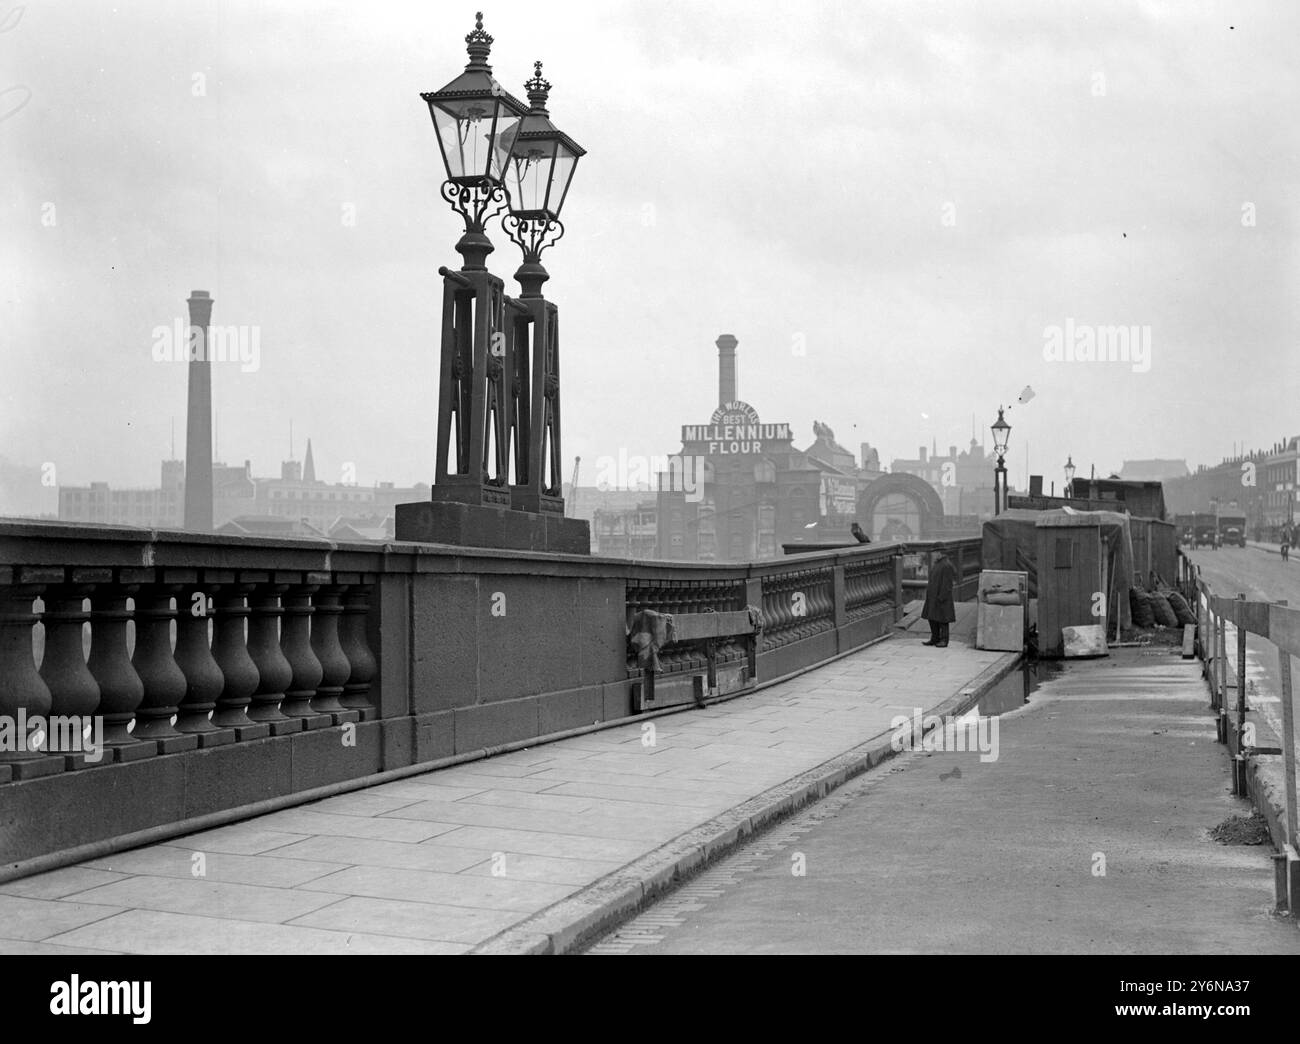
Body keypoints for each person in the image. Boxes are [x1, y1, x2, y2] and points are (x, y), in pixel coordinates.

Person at [921, 549, 957, 648]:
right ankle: (935, 638)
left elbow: (947, 584)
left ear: (939, 553)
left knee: (943, 620)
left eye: (934, 553)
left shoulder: (946, 565)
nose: (933, 554)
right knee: (932, 618)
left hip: (941, 597)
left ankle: (944, 640)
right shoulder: (938, 564)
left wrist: (941, 597)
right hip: (933, 596)